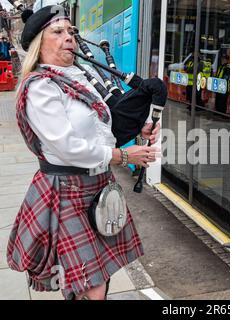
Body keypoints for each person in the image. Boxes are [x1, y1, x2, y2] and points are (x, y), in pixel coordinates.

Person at [6, 5, 160, 300]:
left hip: (97, 185)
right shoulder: (40, 88)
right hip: (67, 190)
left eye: (71, 32)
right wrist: (124, 157)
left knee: (96, 274)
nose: (69, 38)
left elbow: (99, 127)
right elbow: (67, 147)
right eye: (58, 32)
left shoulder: (77, 75)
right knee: (92, 283)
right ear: (40, 42)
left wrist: (136, 132)